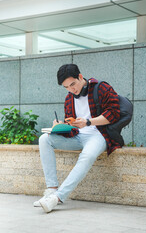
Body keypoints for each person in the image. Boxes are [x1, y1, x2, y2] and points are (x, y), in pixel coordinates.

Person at [34, 64, 121, 213]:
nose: (71, 89)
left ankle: (57, 198)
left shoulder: (101, 88)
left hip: (98, 135)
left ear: (80, 77)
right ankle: (51, 189)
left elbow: (114, 114)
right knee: (44, 139)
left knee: (87, 155)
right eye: (66, 87)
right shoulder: (69, 98)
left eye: (73, 84)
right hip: (77, 136)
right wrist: (61, 126)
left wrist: (88, 122)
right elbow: (72, 123)